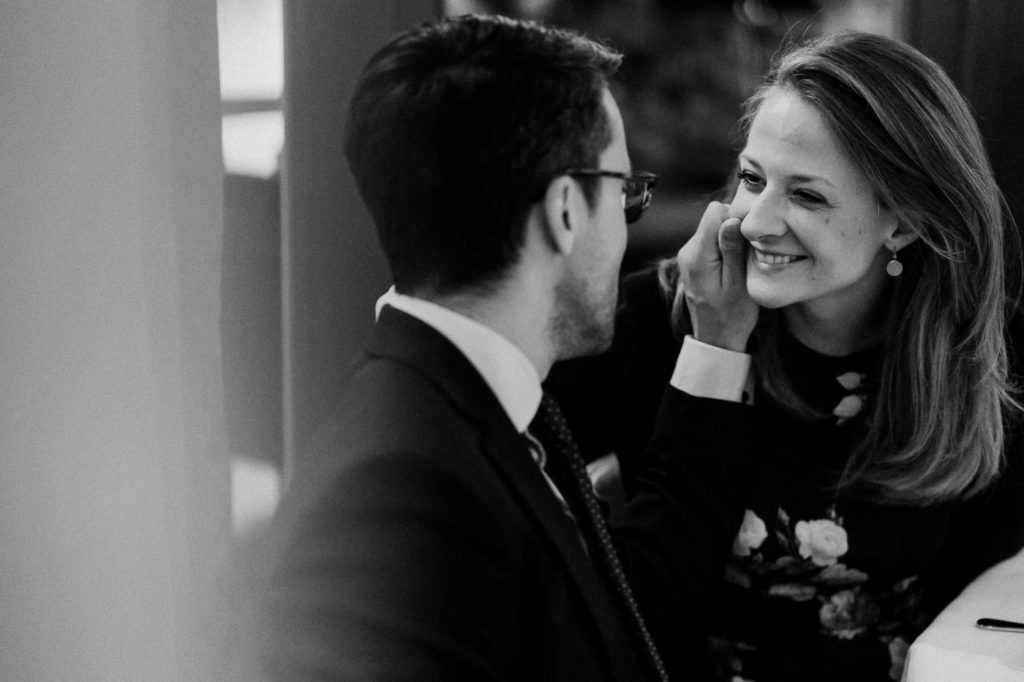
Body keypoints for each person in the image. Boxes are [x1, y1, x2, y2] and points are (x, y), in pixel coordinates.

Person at [231, 13, 724, 682]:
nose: (628, 219)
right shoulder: (401, 493)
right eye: (625, 191)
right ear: (565, 211)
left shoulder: (475, 411)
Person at [549, 31, 1024, 681]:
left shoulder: (969, 355)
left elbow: (994, 587)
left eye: (807, 195)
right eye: (752, 179)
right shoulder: (660, 318)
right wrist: (713, 351)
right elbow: (514, 484)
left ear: (906, 222)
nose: (756, 221)